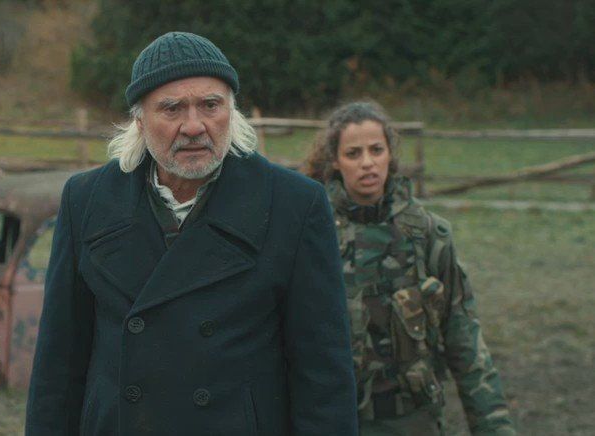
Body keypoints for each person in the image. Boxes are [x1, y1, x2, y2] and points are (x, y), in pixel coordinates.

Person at [26, 31, 357, 435]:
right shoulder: (87, 199)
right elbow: (58, 365)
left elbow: (323, 373)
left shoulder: (294, 204)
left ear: (231, 111)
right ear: (139, 120)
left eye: (211, 105)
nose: (194, 126)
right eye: (172, 109)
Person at [303, 101, 515, 435]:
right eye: (353, 153)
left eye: (376, 150)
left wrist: (494, 427)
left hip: (412, 419)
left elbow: (464, 338)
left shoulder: (428, 234)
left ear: (390, 154)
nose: (367, 163)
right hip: (335, 418)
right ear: (335, 161)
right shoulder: (312, 233)